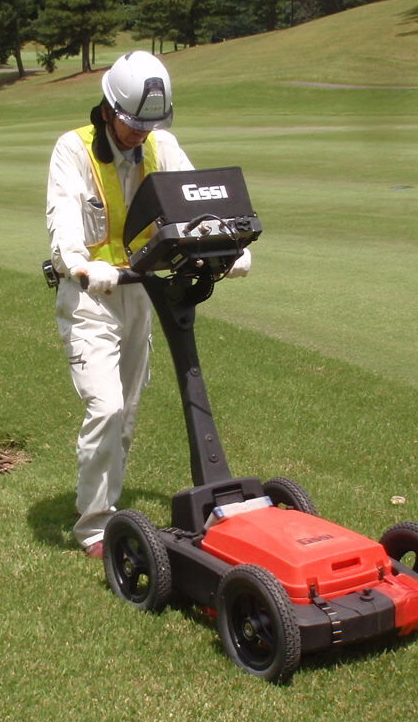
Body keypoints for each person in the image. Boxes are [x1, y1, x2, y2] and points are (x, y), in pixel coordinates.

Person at [45, 51, 251, 558]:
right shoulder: (74, 150)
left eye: (148, 124)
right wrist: (79, 263)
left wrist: (230, 244)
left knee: (129, 411)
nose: (140, 133)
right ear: (109, 108)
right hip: (92, 294)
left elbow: (197, 202)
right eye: (132, 123)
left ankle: (110, 503)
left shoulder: (162, 145)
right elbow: (64, 218)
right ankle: (94, 526)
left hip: (142, 294)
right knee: (107, 406)